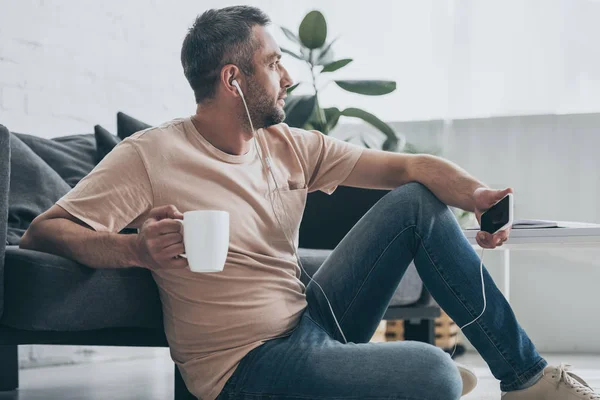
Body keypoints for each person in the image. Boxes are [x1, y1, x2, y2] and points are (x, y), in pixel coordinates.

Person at [20, 5, 598, 400]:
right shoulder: (150, 155)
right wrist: (136, 251)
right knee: (438, 375)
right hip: (245, 363)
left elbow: (410, 168)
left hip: (311, 316)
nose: (288, 76)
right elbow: (43, 232)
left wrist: (478, 195)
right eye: (272, 64)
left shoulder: (286, 143)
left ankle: (523, 377)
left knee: (417, 203)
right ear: (233, 78)